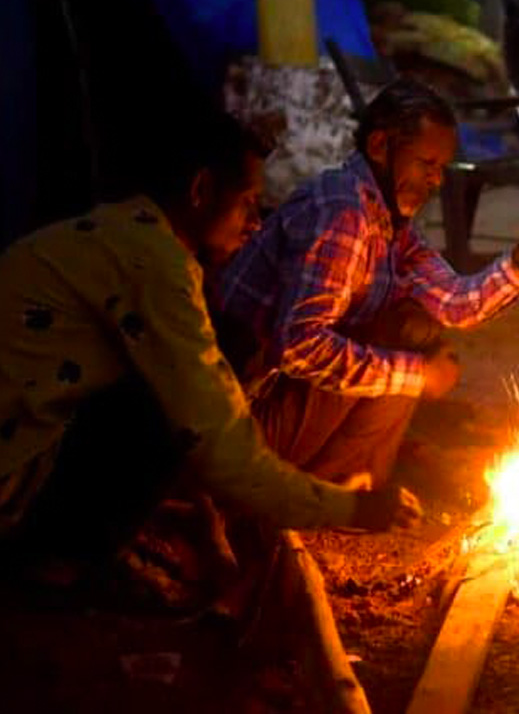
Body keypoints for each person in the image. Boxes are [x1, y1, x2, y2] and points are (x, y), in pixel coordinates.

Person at [0, 111, 421, 575]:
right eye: (247, 203)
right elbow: (219, 442)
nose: (256, 224)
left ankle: (99, 532)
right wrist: (355, 510)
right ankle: (65, 557)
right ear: (201, 191)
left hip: (26, 446)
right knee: (168, 407)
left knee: (215, 357)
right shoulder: (157, 268)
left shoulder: (124, 230)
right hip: (13, 480)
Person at [215, 78, 519, 488]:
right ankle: (321, 489)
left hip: (273, 407)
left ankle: (346, 480)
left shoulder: (389, 220)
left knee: (417, 329)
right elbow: (299, 347)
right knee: (405, 343)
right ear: (380, 146)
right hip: (240, 424)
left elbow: (456, 304)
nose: (436, 181)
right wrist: (415, 375)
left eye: (441, 168)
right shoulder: (343, 213)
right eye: (427, 164)